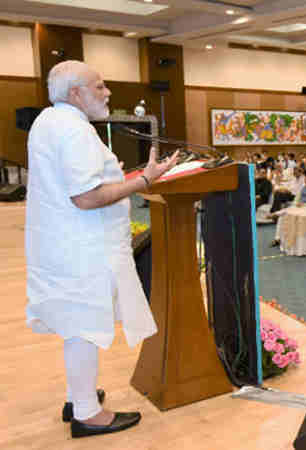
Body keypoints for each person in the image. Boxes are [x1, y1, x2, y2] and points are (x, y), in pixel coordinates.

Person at [25, 60, 179, 438]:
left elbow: (77, 182)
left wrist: (114, 176)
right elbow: (87, 197)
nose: (108, 92)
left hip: (62, 245)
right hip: (83, 248)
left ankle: (78, 396)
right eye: (100, 86)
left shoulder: (49, 120)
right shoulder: (74, 131)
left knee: (78, 326)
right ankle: (87, 414)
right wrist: (143, 180)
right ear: (75, 93)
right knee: (85, 328)